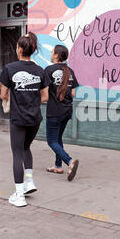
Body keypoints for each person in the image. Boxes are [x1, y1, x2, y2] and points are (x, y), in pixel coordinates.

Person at [0, 32, 50, 207]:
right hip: (35, 118)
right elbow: (45, 97)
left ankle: (19, 195)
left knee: (17, 153)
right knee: (26, 148)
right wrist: (31, 97)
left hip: (18, 118)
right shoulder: (39, 70)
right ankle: (29, 181)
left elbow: (3, 94)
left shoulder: (10, 69)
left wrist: (16, 96)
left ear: (20, 49)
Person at [44, 45, 79, 181]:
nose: (50, 53)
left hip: (54, 111)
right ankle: (58, 166)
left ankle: (69, 161)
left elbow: (44, 91)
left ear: (57, 55)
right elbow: (73, 93)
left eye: (52, 52)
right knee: (58, 139)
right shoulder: (69, 71)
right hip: (67, 111)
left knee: (51, 141)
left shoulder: (48, 70)